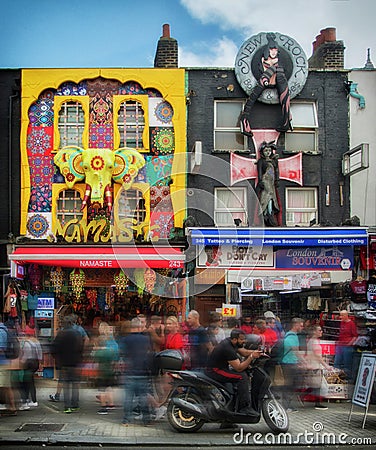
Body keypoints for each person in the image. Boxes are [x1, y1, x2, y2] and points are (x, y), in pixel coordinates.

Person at [240, 32, 292, 137]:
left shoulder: (278, 65)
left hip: (274, 78)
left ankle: (286, 119)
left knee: (278, 76)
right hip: (267, 79)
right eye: (272, 49)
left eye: (275, 50)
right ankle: (245, 118)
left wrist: (269, 74)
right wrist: (268, 75)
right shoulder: (265, 59)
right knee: (258, 90)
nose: (274, 52)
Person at [206, 329, 261, 420]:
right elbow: (239, 367)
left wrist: (257, 353)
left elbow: (243, 351)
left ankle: (229, 417)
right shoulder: (228, 348)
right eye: (242, 339)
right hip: (215, 371)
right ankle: (244, 407)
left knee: (240, 376)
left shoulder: (231, 342)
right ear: (235, 339)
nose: (244, 341)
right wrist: (251, 357)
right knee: (241, 377)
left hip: (222, 368)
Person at [119, 317, 152, 426]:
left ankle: (126, 420)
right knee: (143, 397)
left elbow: (122, 354)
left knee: (128, 397)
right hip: (142, 371)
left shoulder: (125, 340)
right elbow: (148, 354)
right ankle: (146, 419)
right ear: (139, 327)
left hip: (130, 372)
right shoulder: (146, 339)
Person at [51, 316, 84, 414]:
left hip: (64, 364)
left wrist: (58, 359)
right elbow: (81, 348)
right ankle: (75, 404)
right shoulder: (77, 334)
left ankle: (67, 406)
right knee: (75, 384)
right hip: (75, 363)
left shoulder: (61, 335)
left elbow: (53, 349)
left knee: (66, 385)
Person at [280, 317, 306, 412]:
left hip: (290, 363)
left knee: (290, 384)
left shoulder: (291, 335)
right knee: (289, 385)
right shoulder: (291, 336)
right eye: (301, 326)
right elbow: (296, 351)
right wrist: (304, 362)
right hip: (288, 363)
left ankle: (287, 405)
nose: (302, 328)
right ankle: (285, 406)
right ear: (296, 325)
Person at [94, 321, 119, 415]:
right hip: (111, 367)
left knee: (102, 388)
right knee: (109, 386)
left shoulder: (103, 344)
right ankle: (111, 404)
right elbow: (115, 352)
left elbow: (96, 359)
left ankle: (104, 406)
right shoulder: (112, 340)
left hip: (103, 370)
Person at [306, 324, 331, 410]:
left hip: (313, 365)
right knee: (317, 385)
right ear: (314, 332)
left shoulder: (311, 341)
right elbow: (317, 356)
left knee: (315, 385)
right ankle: (317, 403)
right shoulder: (314, 342)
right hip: (315, 366)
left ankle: (316, 401)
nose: (321, 332)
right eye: (319, 330)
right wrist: (326, 365)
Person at [256, 141, 280, 227]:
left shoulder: (274, 161)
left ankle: (270, 213)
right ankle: (266, 213)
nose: (268, 152)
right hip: (265, 182)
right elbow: (259, 172)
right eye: (266, 151)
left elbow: (277, 170)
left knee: (272, 198)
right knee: (266, 198)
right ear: (262, 152)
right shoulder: (261, 161)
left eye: (269, 150)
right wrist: (260, 181)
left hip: (272, 183)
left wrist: (277, 180)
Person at [18, 326, 42, 409]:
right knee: (30, 381)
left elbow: (24, 355)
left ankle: (27, 400)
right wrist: (40, 364)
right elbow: (40, 354)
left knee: (26, 382)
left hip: (28, 363)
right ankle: (32, 400)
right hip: (35, 363)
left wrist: (21, 363)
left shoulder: (25, 343)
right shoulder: (36, 341)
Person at [334, 310, 358, 382]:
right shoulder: (342, 323)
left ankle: (347, 379)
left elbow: (355, 336)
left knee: (347, 363)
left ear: (346, 315)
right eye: (340, 315)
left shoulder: (351, 324)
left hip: (347, 346)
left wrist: (349, 344)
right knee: (336, 362)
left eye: (342, 315)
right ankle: (336, 377)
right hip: (340, 345)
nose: (340, 317)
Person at [0, 320, 17, 415]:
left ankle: (12, 406)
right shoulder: (4, 330)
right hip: (5, 362)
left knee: (5, 387)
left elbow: (1, 349)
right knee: (7, 387)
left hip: (2, 363)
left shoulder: (1, 331)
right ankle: (12, 406)